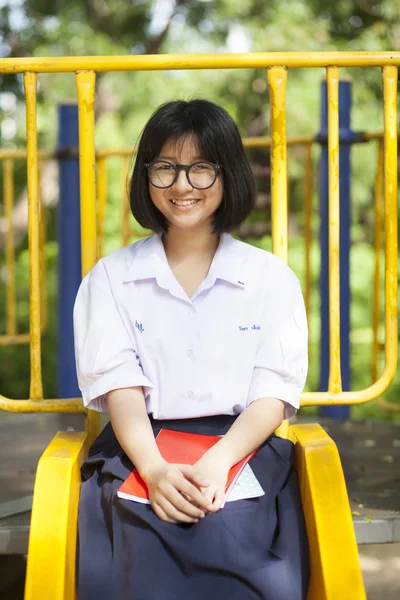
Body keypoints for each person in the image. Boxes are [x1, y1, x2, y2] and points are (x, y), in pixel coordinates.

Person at [73, 99, 310, 600]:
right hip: (142, 446)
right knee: (137, 549)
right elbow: (121, 390)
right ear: (146, 176)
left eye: (201, 168)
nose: (182, 186)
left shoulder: (270, 279)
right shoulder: (111, 278)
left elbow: (273, 392)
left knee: (234, 538)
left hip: (242, 446)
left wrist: (220, 461)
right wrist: (156, 471)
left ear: (228, 175)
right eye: (166, 168)